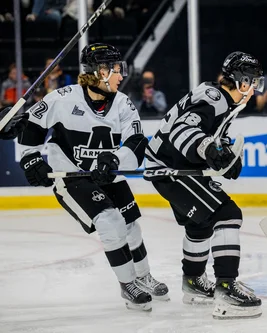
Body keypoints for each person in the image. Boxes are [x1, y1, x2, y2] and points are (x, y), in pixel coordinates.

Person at [17, 43, 169, 311]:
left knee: (131, 226)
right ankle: (128, 285)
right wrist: (31, 159)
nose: (121, 75)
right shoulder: (61, 99)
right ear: (100, 72)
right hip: (73, 178)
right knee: (111, 223)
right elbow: (30, 130)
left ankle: (143, 277)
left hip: (108, 174)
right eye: (116, 70)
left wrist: (114, 160)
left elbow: (136, 143)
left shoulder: (122, 103)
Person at [144, 51, 264, 319]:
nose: (255, 87)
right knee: (227, 214)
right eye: (253, 81)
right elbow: (182, 131)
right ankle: (225, 287)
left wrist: (222, 155)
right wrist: (209, 148)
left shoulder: (221, 101)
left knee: (200, 223)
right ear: (242, 81)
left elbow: (205, 138)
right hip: (171, 170)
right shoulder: (215, 99)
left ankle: (193, 282)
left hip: (174, 168)